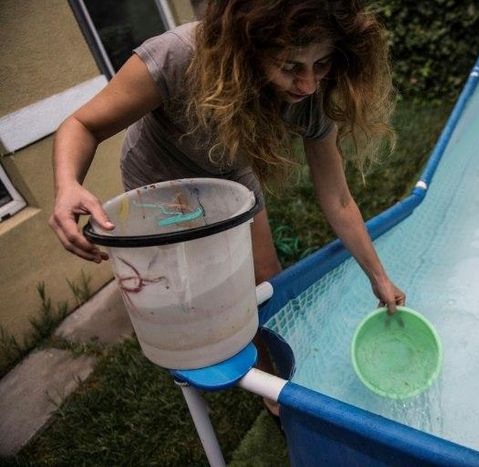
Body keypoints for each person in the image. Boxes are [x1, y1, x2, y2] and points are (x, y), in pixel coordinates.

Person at [49, 0, 406, 416]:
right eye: (291, 66)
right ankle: (229, 365)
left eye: (322, 64)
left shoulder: (311, 98)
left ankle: (272, 387)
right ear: (247, 46)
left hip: (231, 175)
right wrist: (67, 185)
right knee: (195, 291)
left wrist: (378, 277)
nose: (308, 84)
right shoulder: (178, 56)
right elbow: (83, 124)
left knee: (264, 279)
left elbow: (339, 198)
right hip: (159, 180)